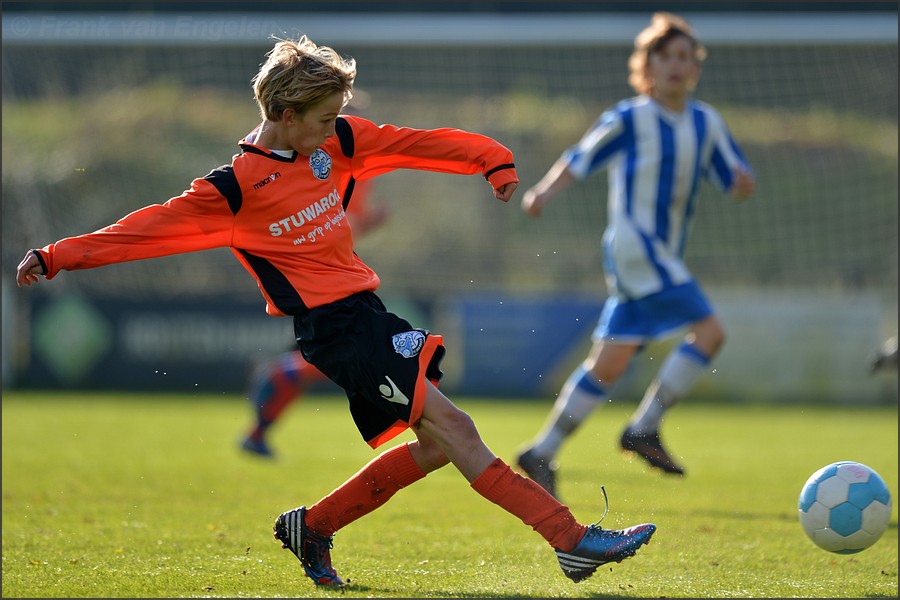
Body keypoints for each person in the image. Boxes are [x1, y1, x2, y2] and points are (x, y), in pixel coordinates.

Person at [16, 35, 656, 588]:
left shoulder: (335, 143)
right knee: (458, 432)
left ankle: (312, 525)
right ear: (287, 115)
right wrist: (56, 256)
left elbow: (412, 142)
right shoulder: (236, 188)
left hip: (368, 315)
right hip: (336, 332)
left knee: (438, 448)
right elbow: (144, 229)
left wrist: (488, 159)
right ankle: (570, 541)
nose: (336, 128)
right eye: (324, 118)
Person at [514, 12, 756, 497]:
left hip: (660, 253)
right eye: (663, 56)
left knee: (610, 363)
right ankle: (644, 426)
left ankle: (541, 451)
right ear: (645, 66)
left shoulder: (707, 123)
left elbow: (735, 180)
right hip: (633, 245)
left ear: (696, 68)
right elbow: (578, 158)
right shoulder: (629, 118)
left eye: (684, 57)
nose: (674, 65)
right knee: (710, 332)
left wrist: (744, 185)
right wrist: (541, 191)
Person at [240, 92, 389, 459]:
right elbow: (330, 222)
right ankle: (278, 375)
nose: (338, 127)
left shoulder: (348, 163)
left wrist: (363, 223)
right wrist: (364, 223)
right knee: (332, 359)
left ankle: (257, 432)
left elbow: (340, 224)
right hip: (318, 276)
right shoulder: (314, 159)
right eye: (335, 118)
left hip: (329, 271)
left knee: (319, 362)